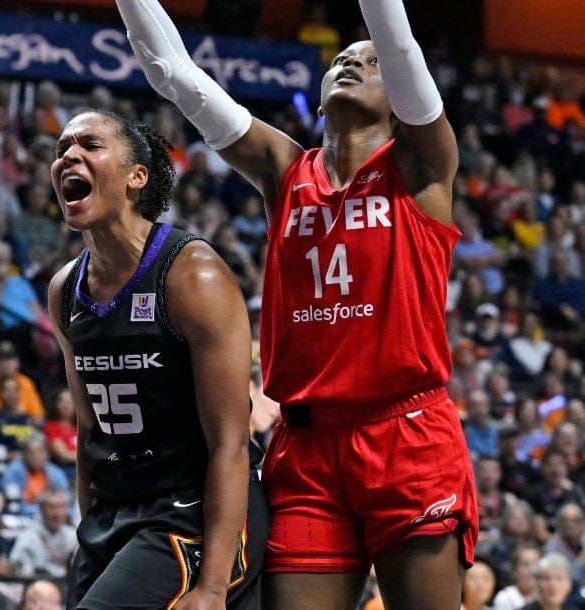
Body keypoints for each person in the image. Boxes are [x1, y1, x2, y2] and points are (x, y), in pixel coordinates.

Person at [116, 0, 480, 607]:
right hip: (307, 447)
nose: (351, 63)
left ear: (402, 98)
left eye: (368, 61)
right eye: (339, 59)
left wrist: (385, 45)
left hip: (407, 432)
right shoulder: (286, 171)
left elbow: (398, 39)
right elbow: (172, 72)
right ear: (314, 95)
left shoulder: (422, 166)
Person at [46, 106, 263, 610]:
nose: (68, 156)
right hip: (114, 511)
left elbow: (231, 441)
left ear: (136, 176)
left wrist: (211, 587)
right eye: (61, 151)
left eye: (89, 145)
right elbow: (88, 433)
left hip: (187, 508)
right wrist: (90, 536)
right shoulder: (64, 290)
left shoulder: (193, 276)